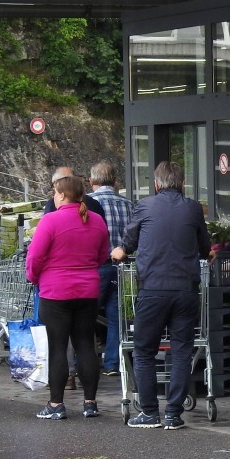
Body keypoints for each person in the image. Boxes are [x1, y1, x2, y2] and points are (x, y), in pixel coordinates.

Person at [111, 161, 210, 430]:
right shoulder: (193, 208)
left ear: (156, 184)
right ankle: (173, 415)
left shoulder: (144, 206)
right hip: (185, 290)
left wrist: (120, 251)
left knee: (143, 351)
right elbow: (204, 247)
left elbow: (129, 241)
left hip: (152, 289)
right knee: (181, 352)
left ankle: (150, 412)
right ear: (182, 184)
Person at [26, 174, 110, 420]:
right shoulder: (96, 221)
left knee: (58, 348)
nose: (53, 195)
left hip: (56, 292)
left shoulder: (50, 221)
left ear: (61, 194)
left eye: (55, 192)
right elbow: (102, 254)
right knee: (86, 344)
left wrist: (33, 277)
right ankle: (90, 403)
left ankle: (55, 405)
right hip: (88, 290)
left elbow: (35, 257)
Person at [88, 161, 133, 377]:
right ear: (115, 182)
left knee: (86, 315)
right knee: (117, 318)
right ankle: (113, 363)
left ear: (91, 181)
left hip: (97, 266)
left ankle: (83, 361)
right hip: (123, 266)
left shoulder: (88, 202)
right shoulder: (128, 204)